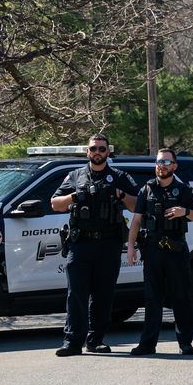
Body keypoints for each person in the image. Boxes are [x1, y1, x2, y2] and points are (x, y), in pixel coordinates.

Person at [51, 134, 138, 356]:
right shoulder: (75, 176)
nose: (97, 152)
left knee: (103, 295)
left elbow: (138, 204)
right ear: (87, 152)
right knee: (76, 294)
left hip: (108, 244)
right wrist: (74, 195)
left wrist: (120, 194)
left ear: (108, 152)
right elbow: (55, 204)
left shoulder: (119, 176)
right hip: (80, 244)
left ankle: (96, 340)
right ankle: (72, 342)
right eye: (93, 149)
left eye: (102, 148)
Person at [126, 148, 193, 356]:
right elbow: (136, 219)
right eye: (160, 162)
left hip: (176, 250)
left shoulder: (184, 190)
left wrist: (184, 212)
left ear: (174, 166)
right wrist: (131, 246)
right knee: (152, 299)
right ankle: (148, 344)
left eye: (167, 163)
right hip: (152, 251)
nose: (163, 166)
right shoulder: (147, 190)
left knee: (181, 297)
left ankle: (185, 343)